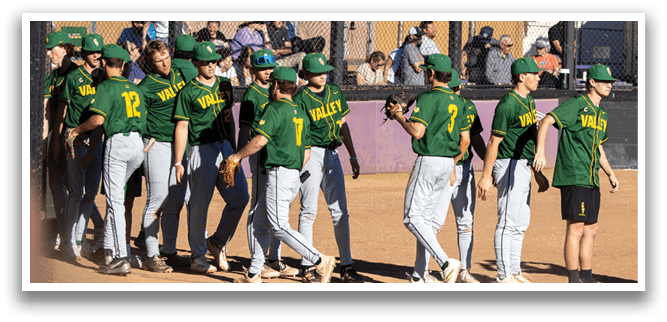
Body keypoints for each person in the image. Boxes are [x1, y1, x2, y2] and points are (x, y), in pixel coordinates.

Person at [227, 66, 336, 283]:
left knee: (278, 225)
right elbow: (306, 153)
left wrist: (236, 157)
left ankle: (319, 260)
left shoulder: (274, 108)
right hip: (293, 174)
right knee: (260, 223)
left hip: (278, 174)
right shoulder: (301, 113)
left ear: (276, 84)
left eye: (272, 82)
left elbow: (259, 141)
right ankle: (253, 273)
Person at [533, 64, 619, 283]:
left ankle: (587, 278)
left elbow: (598, 146)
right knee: (576, 228)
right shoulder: (577, 104)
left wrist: (609, 173)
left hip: (591, 178)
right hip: (574, 174)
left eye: (610, 82)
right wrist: (540, 151)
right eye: (604, 81)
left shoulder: (602, 113)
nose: (608, 85)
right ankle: (573, 280)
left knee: (591, 229)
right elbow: (546, 121)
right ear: (591, 82)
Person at [387, 54, 469, 283]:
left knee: (412, 218)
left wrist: (399, 116)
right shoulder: (459, 101)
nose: (425, 73)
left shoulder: (429, 97)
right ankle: (418, 275)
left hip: (429, 160)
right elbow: (465, 140)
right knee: (425, 221)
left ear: (432, 73)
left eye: (426, 70)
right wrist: (451, 164)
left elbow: (417, 132)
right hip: (448, 162)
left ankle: (444, 262)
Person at [66, 44, 147, 275]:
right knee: (117, 199)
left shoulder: (105, 86)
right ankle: (110, 250)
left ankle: (122, 257)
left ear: (104, 63)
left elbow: (98, 121)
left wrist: (76, 131)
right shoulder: (135, 88)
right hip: (137, 146)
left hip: (118, 145)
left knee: (115, 202)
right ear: (123, 64)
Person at [173, 41, 250, 274]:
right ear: (195, 63)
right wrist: (178, 161)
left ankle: (216, 242)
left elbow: (230, 118)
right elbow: (182, 127)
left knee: (240, 197)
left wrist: (235, 150)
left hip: (225, 146)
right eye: (205, 62)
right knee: (199, 205)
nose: (210, 65)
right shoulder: (188, 91)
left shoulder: (225, 85)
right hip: (201, 149)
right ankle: (198, 256)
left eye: (213, 61)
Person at [477, 57, 550, 283]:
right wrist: (486, 176)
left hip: (522, 165)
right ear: (521, 77)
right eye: (535, 74)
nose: (539, 77)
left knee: (520, 222)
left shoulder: (529, 101)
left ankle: (514, 271)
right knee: (507, 222)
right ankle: (502, 275)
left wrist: (535, 172)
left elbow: (529, 140)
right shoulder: (507, 104)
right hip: (508, 163)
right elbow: (493, 142)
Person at [293, 53, 364, 283]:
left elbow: (343, 125)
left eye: (325, 71)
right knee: (309, 210)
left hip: (333, 154)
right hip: (310, 153)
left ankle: (347, 265)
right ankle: (307, 266)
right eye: (317, 72)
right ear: (305, 75)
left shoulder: (335, 92)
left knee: (340, 212)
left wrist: (352, 155)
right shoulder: (300, 98)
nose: (323, 75)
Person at [237, 49, 300, 279]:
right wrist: (239, 158)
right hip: (261, 156)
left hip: (279, 158)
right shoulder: (251, 95)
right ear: (253, 70)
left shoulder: (280, 91)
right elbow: (245, 129)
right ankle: (259, 260)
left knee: (279, 211)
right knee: (258, 209)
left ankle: (274, 258)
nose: (268, 71)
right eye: (263, 68)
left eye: (271, 67)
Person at [136, 40, 191, 273]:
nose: (164, 63)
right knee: (157, 200)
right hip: (156, 143)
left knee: (175, 201)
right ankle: (151, 254)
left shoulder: (179, 73)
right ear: (150, 63)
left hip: (179, 145)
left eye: (166, 56)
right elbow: (138, 119)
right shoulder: (146, 87)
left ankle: (169, 251)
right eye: (158, 60)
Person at [53, 33, 106, 260]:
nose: (96, 55)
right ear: (83, 53)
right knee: (76, 192)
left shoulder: (104, 78)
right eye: (92, 51)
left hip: (97, 140)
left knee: (91, 194)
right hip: (76, 138)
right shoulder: (74, 77)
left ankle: (79, 239)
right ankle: (67, 241)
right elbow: (62, 113)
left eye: (99, 51)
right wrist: (57, 141)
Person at [431, 70, 487, 283]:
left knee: (466, 222)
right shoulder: (435, 105)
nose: (456, 91)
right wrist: (449, 167)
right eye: (452, 88)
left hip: (466, 170)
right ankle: (423, 271)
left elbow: (475, 138)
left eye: (457, 87)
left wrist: (490, 168)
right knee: (433, 223)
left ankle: (463, 270)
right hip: (443, 169)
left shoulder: (469, 106)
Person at [43, 31, 80, 255]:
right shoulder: (54, 75)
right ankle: (62, 234)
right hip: (56, 135)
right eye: (46, 49)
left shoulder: (74, 74)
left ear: (65, 49)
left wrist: (58, 141)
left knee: (73, 188)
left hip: (70, 136)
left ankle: (69, 236)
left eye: (52, 49)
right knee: (61, 186)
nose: (48, 53)